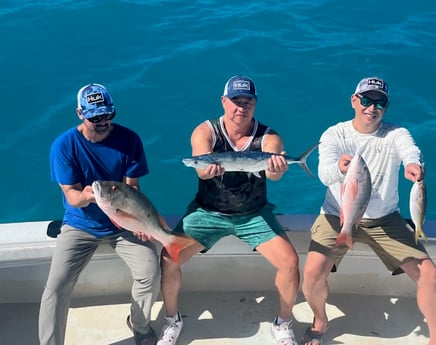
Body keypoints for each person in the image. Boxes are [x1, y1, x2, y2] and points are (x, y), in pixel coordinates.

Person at [156, 75, 300, 345]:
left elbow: (276, 174)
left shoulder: (269, 137)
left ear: (255, 105)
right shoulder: (205, 131)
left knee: (290, 262)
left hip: (254, 214)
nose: (241, 108)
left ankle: (283, 323)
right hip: (209, 212)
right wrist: (206, 171)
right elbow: (200, 165)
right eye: (235, 101)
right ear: (224, 102)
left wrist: (277, 170)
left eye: (248, 102)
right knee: (168, 258)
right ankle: (172, 319)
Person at [301, 76, 436, 345]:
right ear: (354, 101)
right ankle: (320, 320)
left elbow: (410, 150)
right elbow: (324, 174)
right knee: (312, 273)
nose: (371, 107)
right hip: (336, 215)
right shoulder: (334, 134)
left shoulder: (395, 133)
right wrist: (339, 167)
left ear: (385, 107)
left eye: (379, 102)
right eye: (366, 100)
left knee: (429, 275)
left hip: (385, 219)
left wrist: (413, 164)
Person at [39, 83, 160, 345]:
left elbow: (133, 190)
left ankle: (139, 325)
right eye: (95, 117)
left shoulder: (130, 140)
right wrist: (86, 197)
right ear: (80, 113)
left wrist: (137, 222)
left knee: (150, 271)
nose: (102, 122)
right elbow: (71, 195)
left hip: (123, 224)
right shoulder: (64, 146)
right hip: (80, 224)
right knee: (56, 287)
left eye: (107, 115)